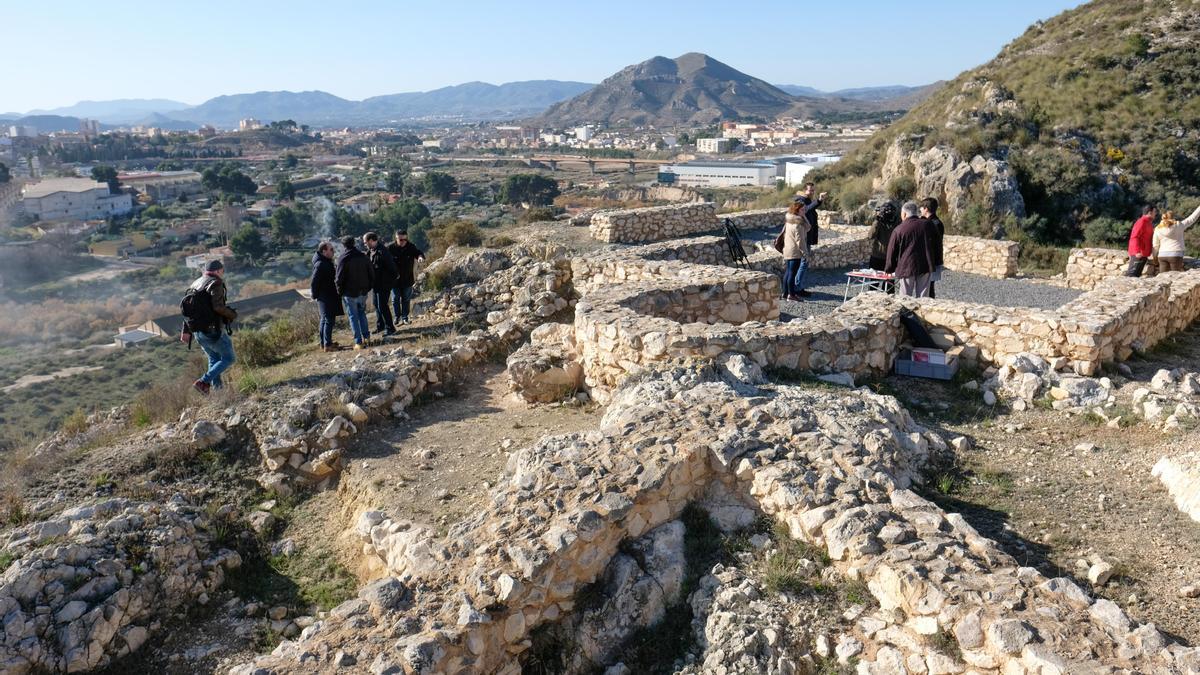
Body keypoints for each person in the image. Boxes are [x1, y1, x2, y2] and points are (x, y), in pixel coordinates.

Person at [187, 260, 237, 393]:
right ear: (218, 271)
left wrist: (186, 330)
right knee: (229, 358)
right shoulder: (216, 283)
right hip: (212, 331)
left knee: (214, 358)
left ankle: (218, 392)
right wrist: (231, 314)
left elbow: (189, 310)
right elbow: (218, 307)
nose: (223, 273)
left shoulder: (196, 283)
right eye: (222, 271)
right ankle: (203, 381)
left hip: (198, 332)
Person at [885, 201, 939, 298]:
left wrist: (889, 268)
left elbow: (892, 251)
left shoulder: (899, 229)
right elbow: (937, 244)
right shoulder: (928, 225)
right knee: (923, 297)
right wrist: (935, 262)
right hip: (925, 265)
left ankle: (905, 313)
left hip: (906, 266)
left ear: (904, 214)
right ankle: (922, 313)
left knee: (905, 297)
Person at [335, 235, 374, 349]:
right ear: (354, 243)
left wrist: (340, 291)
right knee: (362, 313)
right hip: (363, 291)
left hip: (349, 293)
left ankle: (358, 342)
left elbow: (338, 278)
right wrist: (369, 287)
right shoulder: (363, 256)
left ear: (343, 245)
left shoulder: (343, 258)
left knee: (353, 316)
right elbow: (371, 272)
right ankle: (367, 338)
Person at [791, 183, 827, 297]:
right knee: (803, 263)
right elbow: (806, 209)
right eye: (810, 191)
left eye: (813, 190)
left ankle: (797, 287)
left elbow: (810, 207)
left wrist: (818, 201)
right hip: (803, 237)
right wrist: (818, 200)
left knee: (802, 263)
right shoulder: (800, 200)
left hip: (806, 236)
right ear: (804, 191)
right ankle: (797, 288)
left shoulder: (805, 200)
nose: (811, 192)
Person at [309, 241, 343, 352]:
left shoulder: (324, 261)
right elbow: (314, 281)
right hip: (325, 295)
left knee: (325, 319)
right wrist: (315, 295)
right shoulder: (321, 264)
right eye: (331, 249)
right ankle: (327, 345)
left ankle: (324, 343)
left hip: (326, 294)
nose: (333, 251)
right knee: (328, 320)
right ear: (324, 251)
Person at [363, 231, 398, 336]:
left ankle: (390, 328)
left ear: (371, 240)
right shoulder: (371, 251)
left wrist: (388, 282)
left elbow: (393, 269)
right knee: (376, 305)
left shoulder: (383, 252)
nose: (365, 244)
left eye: (365, 242)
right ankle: (380, 326)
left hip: (384, 284)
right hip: (376, 285)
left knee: (382, 306)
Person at [387, 230, 425, 325]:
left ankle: (405, 317)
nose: (403, 241)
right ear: (396, 239)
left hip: (407, 279)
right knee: (395, 299)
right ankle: (397, 317)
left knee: (406, 299)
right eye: (401, 239)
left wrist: (420, 257)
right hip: (394, 280)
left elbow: (418, 252)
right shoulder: (390, 248)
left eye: (405, 239)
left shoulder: (411, 246)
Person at [1152, 205, 1200, 273]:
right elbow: (1192, 218)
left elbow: (1155, 246)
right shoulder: (1179, 225)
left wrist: (1154, 258)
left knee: (1162, 278)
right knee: (1175, 277)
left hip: (1162, 255)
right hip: (1176, 254)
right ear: (1173, 217)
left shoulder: (1157, 229)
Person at [780, 200, 810, 301]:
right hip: (795, 251)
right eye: (802, 210)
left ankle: (785, 293)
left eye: (804, 209)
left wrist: (803, 216)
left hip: (787, 249)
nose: (804, 211)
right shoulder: (798, 224)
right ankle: (791, 295)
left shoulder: (789, 221)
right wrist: (805, 254)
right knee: (792, 273)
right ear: (797, 210)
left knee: (788, 272)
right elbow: (800, 241)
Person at [919, 197, 946, 298]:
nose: (920, 210)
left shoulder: (931, 224)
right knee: (928, 286)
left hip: (930, 260)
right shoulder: (938, 223)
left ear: (926, 209)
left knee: (927, 287)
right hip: (934, 259)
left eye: (921, 208)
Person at [1125, 205, 1158, 277]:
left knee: (1136, 275)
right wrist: (1137, 251)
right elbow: (1134, 237)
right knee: (1131, 275)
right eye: (1154, 212)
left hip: (1143, 254)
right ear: (1150, 212)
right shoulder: (1141, 222)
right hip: (1139, 254)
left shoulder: (1148, 223)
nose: (1156, 214)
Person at [867, 201, 900, 272]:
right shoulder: (879, 222)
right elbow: (870, 236)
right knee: (875, 281)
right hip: (878, 256)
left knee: (889, 281)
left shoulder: (896, 223)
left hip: (890, 257)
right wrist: (877, 221)